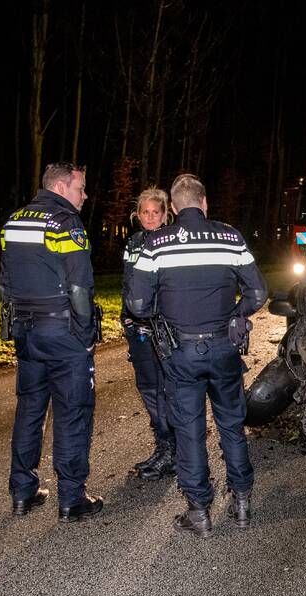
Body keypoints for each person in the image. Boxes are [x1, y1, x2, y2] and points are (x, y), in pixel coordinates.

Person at [126, 173, 267, 538]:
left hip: (180, 351)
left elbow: (138, 303)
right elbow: (257, 292)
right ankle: (241, 502)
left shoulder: (156, 244)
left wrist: (163, 312)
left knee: (188, 430)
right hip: (224, 348)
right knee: (232, 425)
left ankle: (199, 511)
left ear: (172, 207)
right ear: (204, 203)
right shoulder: (230, 236)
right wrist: (237, 315)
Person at [0, 161, 104, 523]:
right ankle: (72, 499)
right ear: (61, 187)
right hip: (62, 333)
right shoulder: (65, 223)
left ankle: (22, 491)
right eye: (81, 187)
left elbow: (6, 283)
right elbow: (79, 286)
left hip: (26, 331)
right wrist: (86, 334)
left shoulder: (14, 221)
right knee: (73, 411)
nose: (85, 195)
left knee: (30, 410)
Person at [121, 188, 176, 480]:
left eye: (156, 212)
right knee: (149, 389)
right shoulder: (133, 242)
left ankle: (175, 451)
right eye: (145, 212)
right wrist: (126, 321)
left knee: (168, 389)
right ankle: (163, 447)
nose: (151, 217)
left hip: (165, 330)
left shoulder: (173, 242)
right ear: (137, 214)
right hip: (138, 330)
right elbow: (128, 285)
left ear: (166, 214)